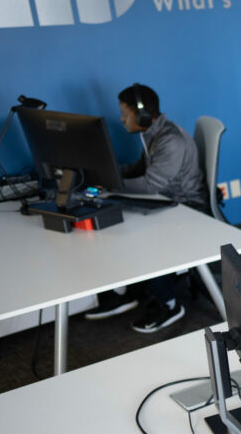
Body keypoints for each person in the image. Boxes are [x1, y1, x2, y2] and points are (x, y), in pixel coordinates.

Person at [84, 84, 209, 333]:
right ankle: (130, 292)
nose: (121, 119)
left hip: (188, 207)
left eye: (125, 114)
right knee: (114, 223)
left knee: (142, 234)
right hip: (167, 200)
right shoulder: (154, 134)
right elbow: (138, 169)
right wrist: (103, 173)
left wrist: (109, 186)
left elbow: (151, 184)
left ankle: (170, 304)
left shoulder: (170, 140)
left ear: (142, 115)